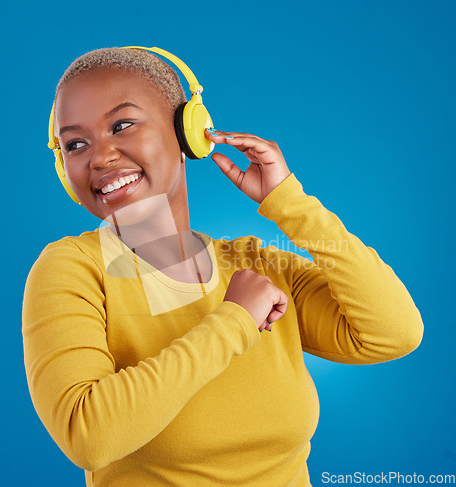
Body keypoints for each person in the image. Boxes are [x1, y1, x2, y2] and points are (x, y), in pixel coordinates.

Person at [22, 47, 424, 487]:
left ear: (187, 132)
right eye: (76, 144)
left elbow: (394, 333)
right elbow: (88, 436)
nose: (100, 158)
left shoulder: (257, 265)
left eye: (122, 125)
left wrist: (289, 203)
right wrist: (233, 322)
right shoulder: (72, 269)